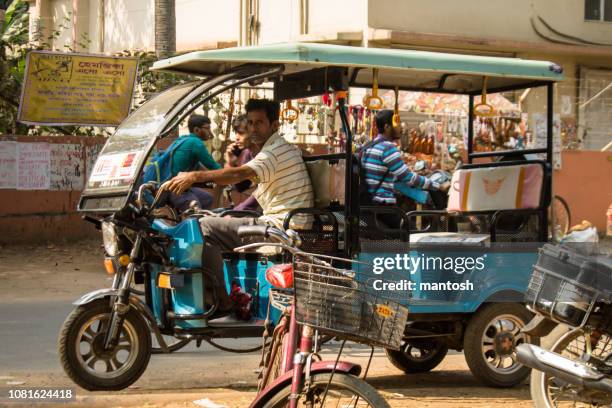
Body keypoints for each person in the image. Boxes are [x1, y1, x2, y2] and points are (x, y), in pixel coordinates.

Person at [165, 99, 314, 314]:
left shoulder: (273, 152)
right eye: (251, 123)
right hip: (276, 223)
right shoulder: (268, 150)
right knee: (212, 217)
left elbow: (239, 175)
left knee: (202, 227)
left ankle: (223, 302)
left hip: (279, 228)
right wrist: (227, 160)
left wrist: (194, 175)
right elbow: (238, 183)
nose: (253, 128)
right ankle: (232, 291)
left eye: (259, 123)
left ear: (274, 125)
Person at [360, 110, 449, 227]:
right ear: (387, 127)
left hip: (369, 203)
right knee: (411, 231)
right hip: (382, 207)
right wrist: (438, 186)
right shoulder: (387, 148)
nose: (400, 128)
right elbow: (409, 178)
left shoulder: (370, 145)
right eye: (397, 125)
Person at [166, 114, 222, 212]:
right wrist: (230, 174)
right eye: (207, 128)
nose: (210, 132)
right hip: (177, 189)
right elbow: (212, 165)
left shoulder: (182, 139)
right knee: (196, 210)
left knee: (207, 198)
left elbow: (198, 166)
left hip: (172, 186)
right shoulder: (196, 143)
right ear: (197, 130)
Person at [224, 114, 261, 212]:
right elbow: (240, 186)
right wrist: (231, 163)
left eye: (241, 133)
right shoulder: (248, 153)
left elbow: (261, 192)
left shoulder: (264, 155)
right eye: (236, 133)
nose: (236, 137)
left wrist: (236, 211)